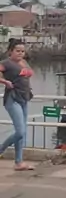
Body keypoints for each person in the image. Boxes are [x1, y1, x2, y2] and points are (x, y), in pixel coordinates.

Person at [0, 39, 34, 170]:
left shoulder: (24, 62)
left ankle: (19, 162)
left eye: (22, 51)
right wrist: (5, 82)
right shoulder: (6, 63)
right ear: (10, 51)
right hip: (12, 99)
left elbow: (26, 77)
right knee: (20, 132)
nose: (20, 53)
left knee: (22, 133)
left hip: (24, 99)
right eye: (17, 51)